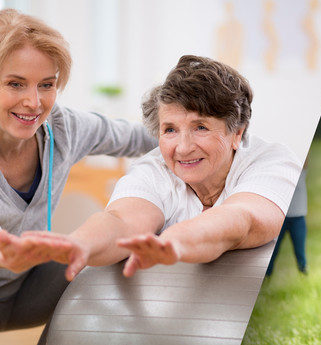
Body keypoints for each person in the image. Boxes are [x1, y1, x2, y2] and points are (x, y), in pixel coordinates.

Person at [0, 54, 301, 286]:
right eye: (170, 130)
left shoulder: (271, 163)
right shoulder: (155, 168)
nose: (183, 147)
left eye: (200, 127)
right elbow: (120, 221)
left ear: (237, 132)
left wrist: (175, 242)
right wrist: (77, 244)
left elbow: (240, 220)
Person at [0, 8, 157, 340]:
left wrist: (211, 139)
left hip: (24, 291)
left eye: (46, 85)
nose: (33, 101)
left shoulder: (63, 127)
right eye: (15, 84)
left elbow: (138, 137)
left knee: (120, 249)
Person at [266, 162, 308, 276]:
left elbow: (306, 159)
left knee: (300, 252)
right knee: (273, 252)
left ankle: (303, 274)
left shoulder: (301, 173)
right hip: (281, 218)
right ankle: (267, 276)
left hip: (298, 219)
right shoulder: (280, 176)